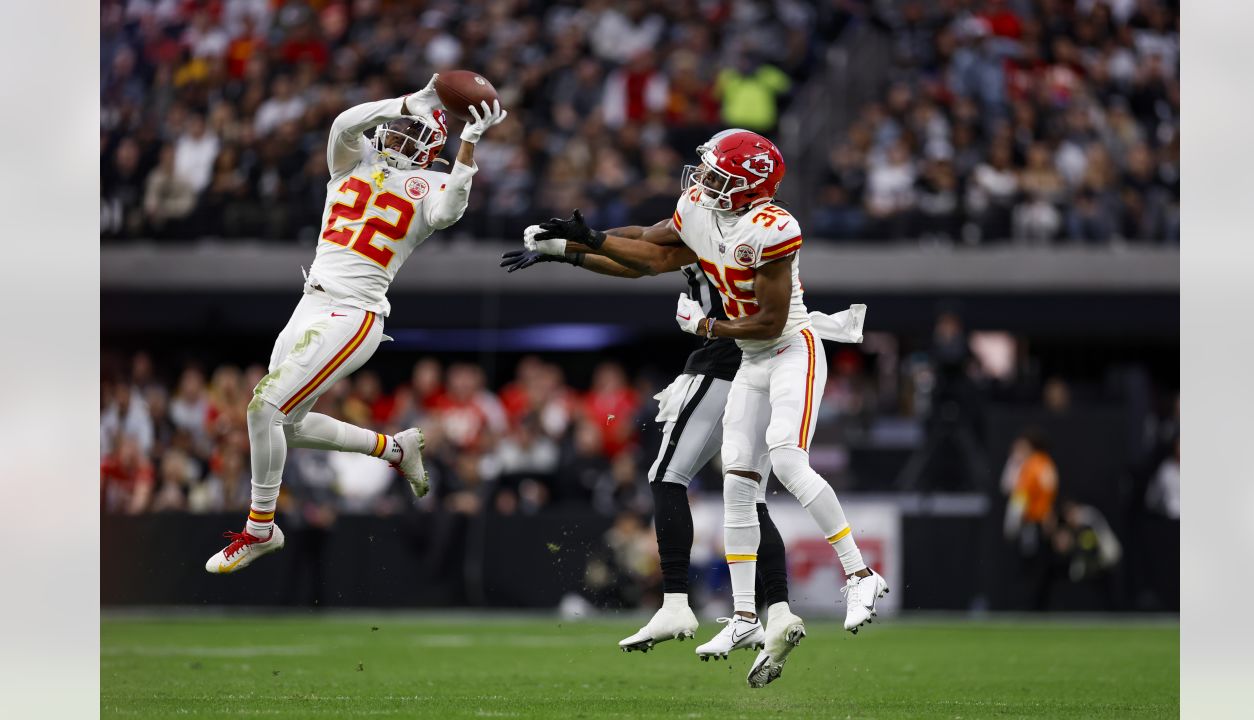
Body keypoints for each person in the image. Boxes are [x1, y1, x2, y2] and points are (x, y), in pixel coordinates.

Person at [523, 130, 884, 683]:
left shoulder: (772, 229)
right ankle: (750, 615)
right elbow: (648, 245)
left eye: (722, 176)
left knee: (771, 464)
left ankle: (858, 574)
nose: (705, 182)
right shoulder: (700, 209)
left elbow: (766, 317)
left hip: (774, 345)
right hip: (743, 352)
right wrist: (580, 241)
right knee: (741, 486)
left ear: (752, 188)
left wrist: (704, 323)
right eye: (708, 171)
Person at [203, 74, 508, 574]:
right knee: (288, 425)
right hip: (312, 302)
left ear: (432, 148)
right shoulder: (353, 159)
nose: (399, 135)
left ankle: (261, 528)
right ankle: (394, 447)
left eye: (413, 131)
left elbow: (450, 210)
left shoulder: (431, 182)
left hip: (356, 311)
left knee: (264, 410)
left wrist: (469, 145)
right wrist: (413, 100)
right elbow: (344, 124)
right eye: (399, 127)